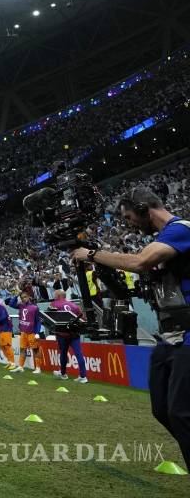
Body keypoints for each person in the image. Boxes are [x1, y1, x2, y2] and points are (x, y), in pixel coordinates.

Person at [73, 186, 190, 466]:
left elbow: (139, 262)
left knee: (181, 412)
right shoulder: (163, 241)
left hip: (189, 335)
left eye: (128, 218)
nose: (129, 225)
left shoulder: (181, 229)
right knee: (162, 408)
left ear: (143, 209)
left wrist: (92, 254)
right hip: (170, 336)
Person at [48, 289, 87, 382]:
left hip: (62, 334)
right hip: (74, 333)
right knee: (79, 354)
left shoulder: (53, 304)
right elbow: (83, 319)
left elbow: (49, 317)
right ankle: (83, 376)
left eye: (55, 295)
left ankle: (63, 374)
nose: (54, 296)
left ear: (58, 296)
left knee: (63, 354)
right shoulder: (75, 305)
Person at [17, 292, 42, 374]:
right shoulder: (21, 306)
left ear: (28, 297)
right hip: (23, 332)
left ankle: (38, 368)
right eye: (22, 298)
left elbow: (38, 321)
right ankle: (21, 367)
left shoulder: (34, 307)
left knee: (35, 350)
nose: (24, 299)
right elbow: (10, 303)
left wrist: (37, 332)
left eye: (25, 297)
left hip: (31, 333)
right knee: (22, 349)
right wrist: (17, 295)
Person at [0, 297, 19, 371]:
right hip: (1, 329)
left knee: (7, 346)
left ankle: (13, 363)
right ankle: (10, 361)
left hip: (6, 328)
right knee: (1, 346)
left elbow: (3, 316)